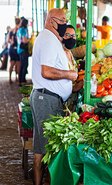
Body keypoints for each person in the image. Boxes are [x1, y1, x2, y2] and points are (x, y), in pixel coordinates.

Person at [30, 8, 77, 185]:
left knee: (41, 148)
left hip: (45, 98)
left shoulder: (50, 38)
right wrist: (69, 75)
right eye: (62, 20)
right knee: (48, 149)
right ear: (51, 21)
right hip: (46, 99)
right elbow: (47, 71)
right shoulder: (49, 39)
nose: (65, 23)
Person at [17, 18, 29, 86]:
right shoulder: (23, 30)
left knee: (22, 65)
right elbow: (24, 40)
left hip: (19, 49)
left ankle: (20, 80)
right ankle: (22, 80)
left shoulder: (19, 30)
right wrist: (30, 40)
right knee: (25, 65)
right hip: (23, 49)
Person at [8, 17, 21, 83]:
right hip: (17, 49)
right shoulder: (20, 30)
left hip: (12, 49)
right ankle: (17, 78)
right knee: (18, 64)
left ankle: (10, 78)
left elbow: (8, 40)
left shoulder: (11, 30)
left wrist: (11, 42)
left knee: (12, 64)